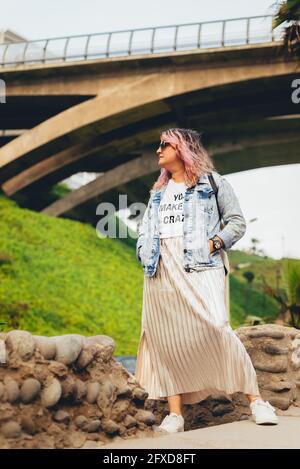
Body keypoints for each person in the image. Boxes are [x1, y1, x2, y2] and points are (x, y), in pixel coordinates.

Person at [134, 128, 278, 434]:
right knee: (165, 338)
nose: (158, 150)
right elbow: (146, 231)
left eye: (165, 145)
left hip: (201, 266)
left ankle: (256, 401)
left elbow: (237, 222)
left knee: (217, 325)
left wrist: (213, 244)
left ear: (183, 149)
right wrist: (144, 252)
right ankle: (175, 414)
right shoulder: (157, 194)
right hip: (160, 270)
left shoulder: (212, 183)